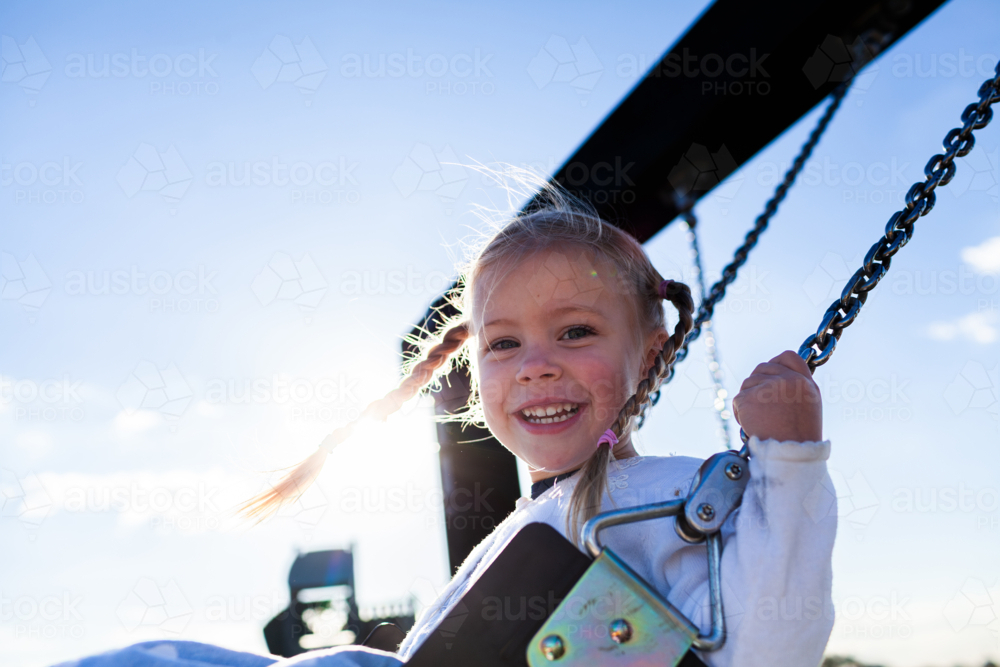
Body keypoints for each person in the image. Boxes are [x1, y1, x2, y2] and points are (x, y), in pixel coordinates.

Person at [55, 180, 836, 667]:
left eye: (575, 332)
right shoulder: (521, 528)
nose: (534, 365)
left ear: (649, 347)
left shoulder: (679, 497)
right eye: (505, 343)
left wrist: (787, 457)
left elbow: (771, 647)